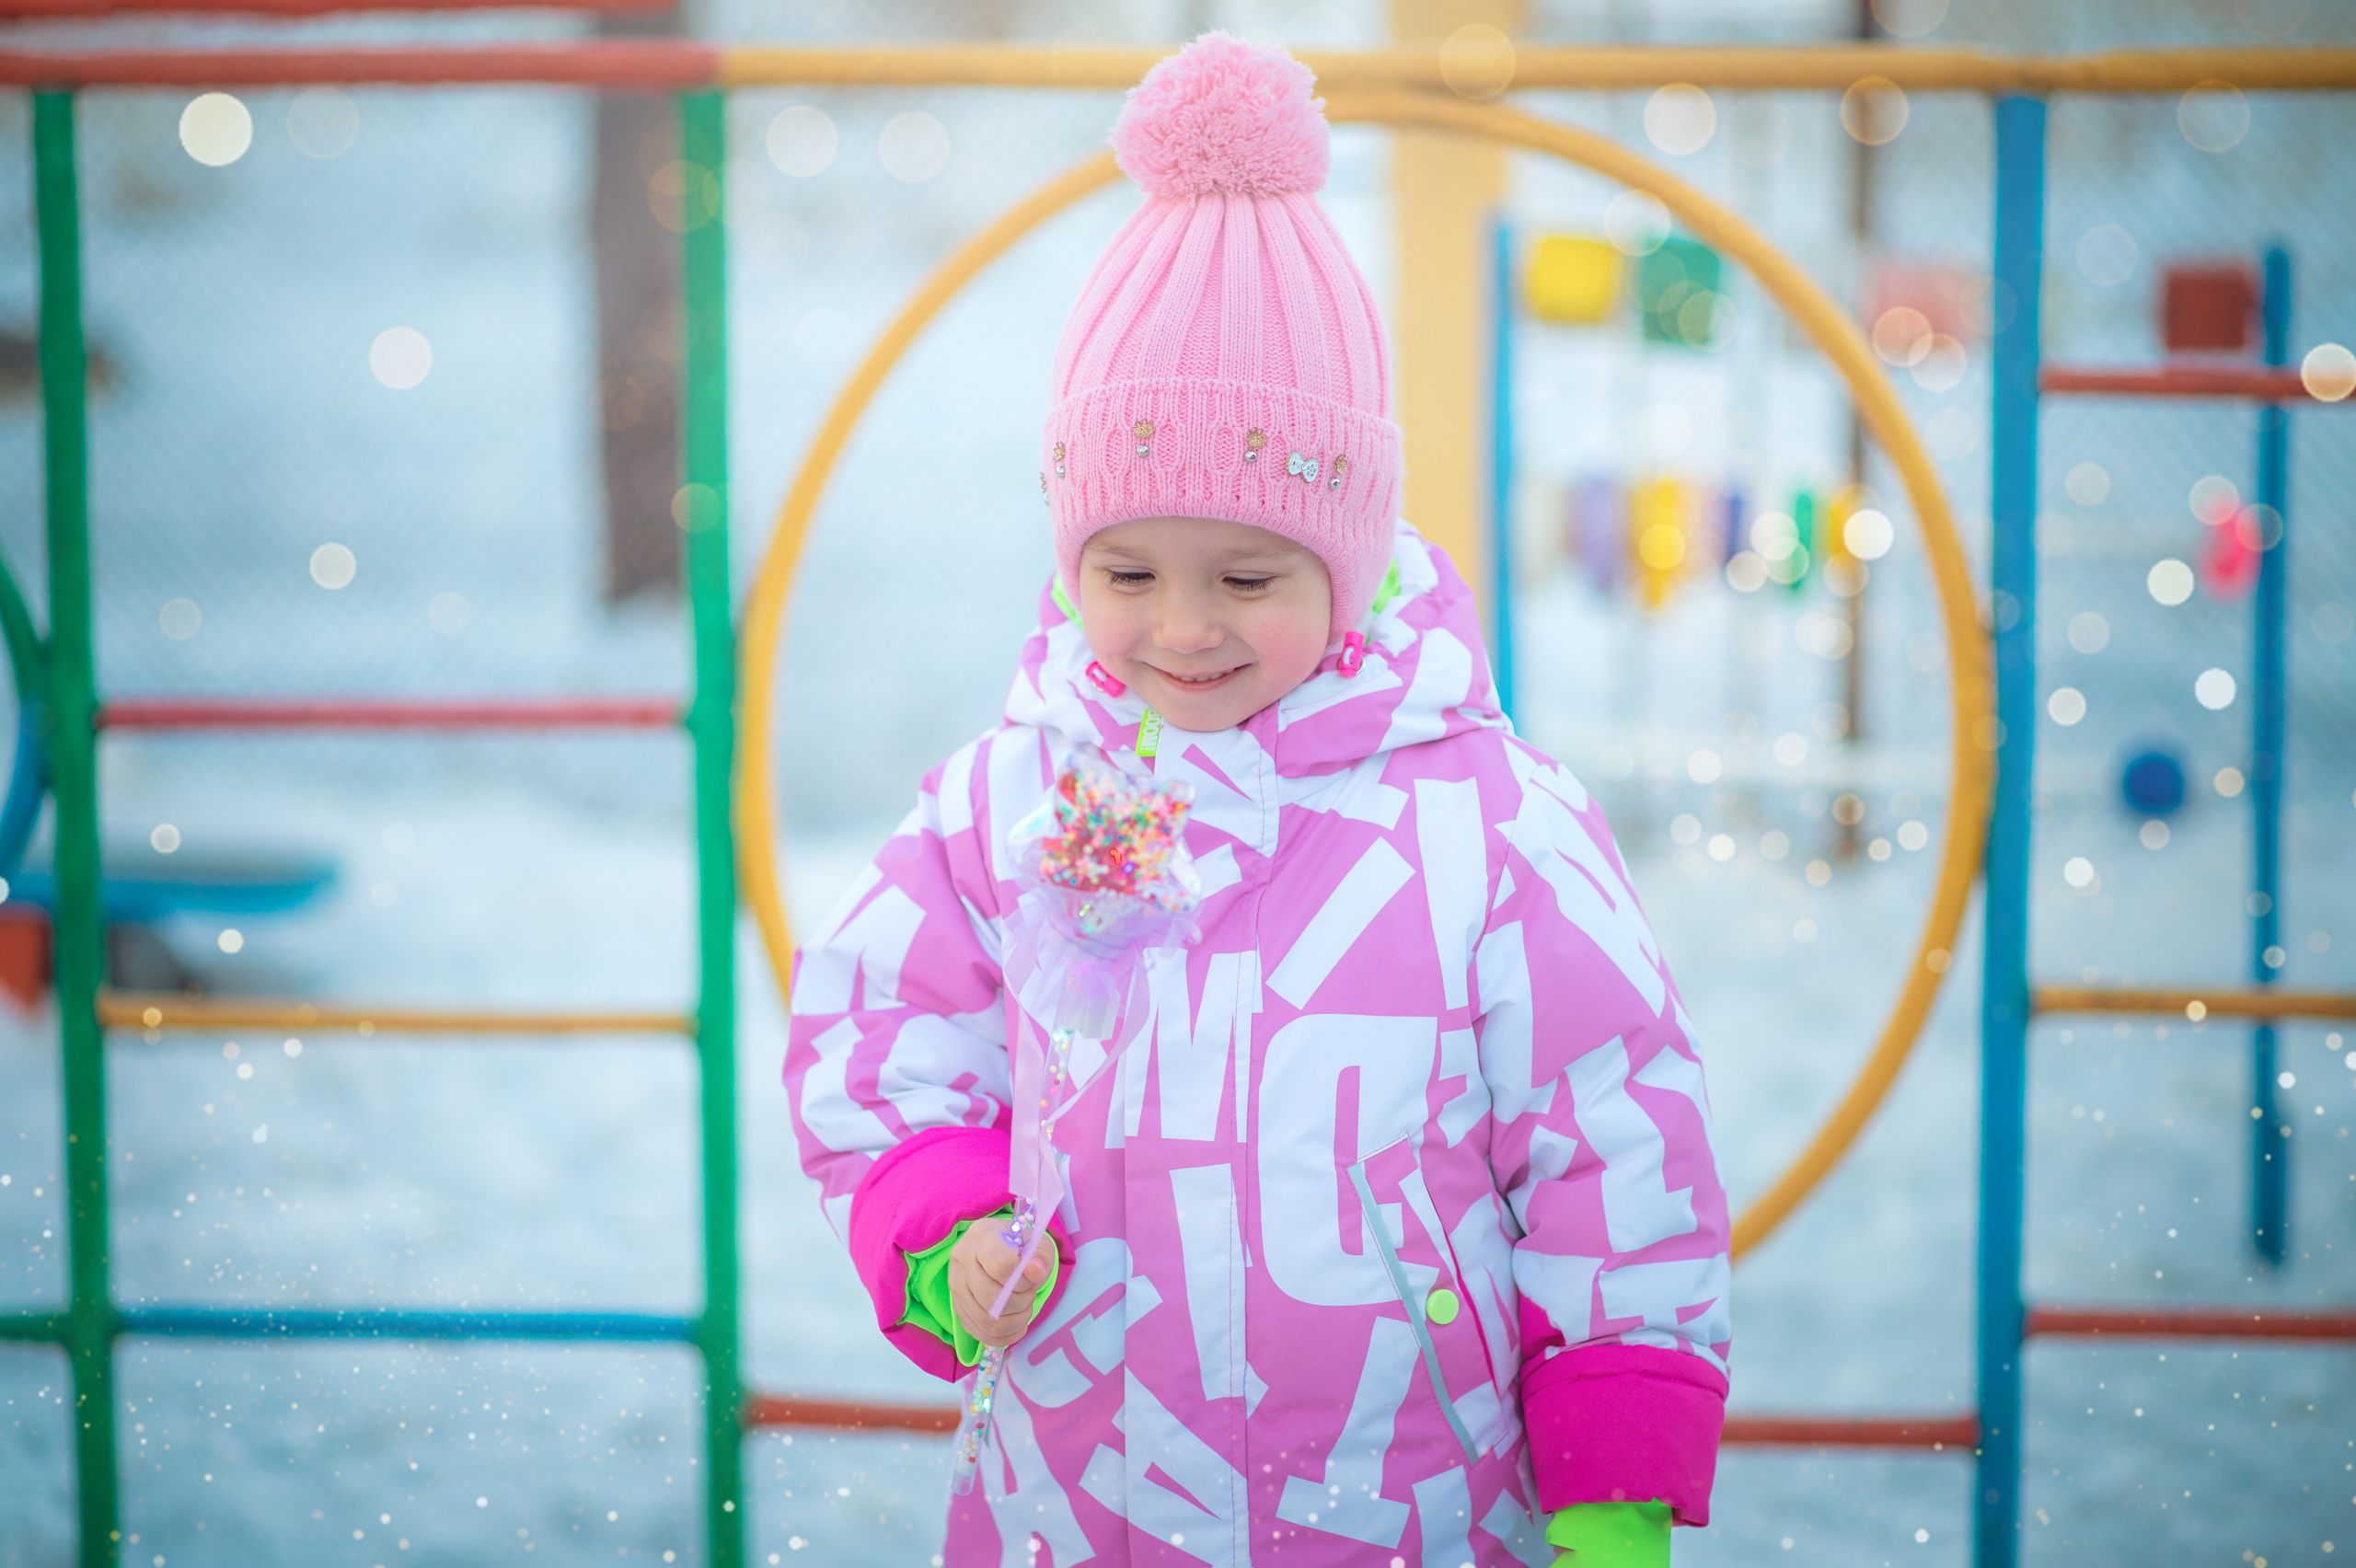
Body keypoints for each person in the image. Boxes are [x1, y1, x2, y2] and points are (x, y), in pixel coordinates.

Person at [786, 33, 1729, 1568]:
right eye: (1125, 571)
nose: (1182, 626)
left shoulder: (1486, 821)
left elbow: (1611, 1128)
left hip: (1412, 1499)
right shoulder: (1014, 797)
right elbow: (876, 1035)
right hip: (1085, 1503)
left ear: (1347, 561)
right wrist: (947, 1234)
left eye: (1248, 576)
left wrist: (1613, 1466)